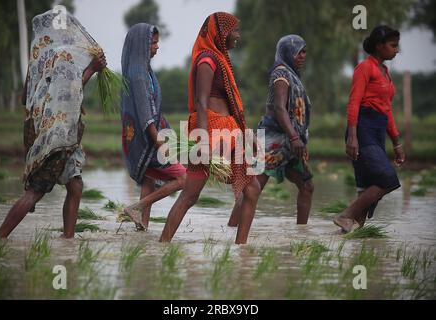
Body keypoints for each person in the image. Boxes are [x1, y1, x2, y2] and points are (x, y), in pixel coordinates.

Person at [0, 10, 107, 239]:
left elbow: (26, 97)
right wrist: (92, 69)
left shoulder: (38, 56)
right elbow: (69, 93)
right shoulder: (62, 55)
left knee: (75, 185)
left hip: (54, 133)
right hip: (56, 135)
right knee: (35, 191)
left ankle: (68, 241)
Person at [159, 12, 261, 244]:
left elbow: (232, 106)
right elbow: (201, 102)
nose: (237, 35)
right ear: (221, 33)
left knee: (252, 188)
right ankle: (163, 244)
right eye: (234, 31)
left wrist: (247, 134)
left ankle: (241, 249)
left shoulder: (220, 60)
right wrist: (203, 142)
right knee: (190, 195)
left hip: (229, 132)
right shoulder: (207, 60)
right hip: (212, 133)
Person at [230, 35, 314, 226]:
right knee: (253, 187)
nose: (303, 55)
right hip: (272, 141)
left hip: (290, 144)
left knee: (307, 186)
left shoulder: (292, 75)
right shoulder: (281, 74)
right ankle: (231, 230)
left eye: (304, 51)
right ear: (287, 52)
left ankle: (302, 235)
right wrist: (294, 136)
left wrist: (294, 138)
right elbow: (279, 108)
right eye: (299, 51)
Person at [333, 25, 405, 233]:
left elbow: (387, 110)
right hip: (362, 129)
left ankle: (349, 238)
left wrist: (396, 142)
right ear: (379, 45)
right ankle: (345, 215)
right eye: (392, 46)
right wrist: (353, 136)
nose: (396, 50)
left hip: (377, 130)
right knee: (388, 179)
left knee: (366, 186)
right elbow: (354, 102)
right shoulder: (365, 68)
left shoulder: (385, 72)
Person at [121, 23, 186, 231]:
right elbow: (146, 116)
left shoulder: (143, 70)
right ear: (142, 45)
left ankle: (142, 229)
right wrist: (161, 144)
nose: (157, 47)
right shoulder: (139, 74)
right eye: (153, 42)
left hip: (147, 139)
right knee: (183, 178)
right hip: (149, 140)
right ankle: (137, 207)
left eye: (157, 42)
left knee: (149, 181)